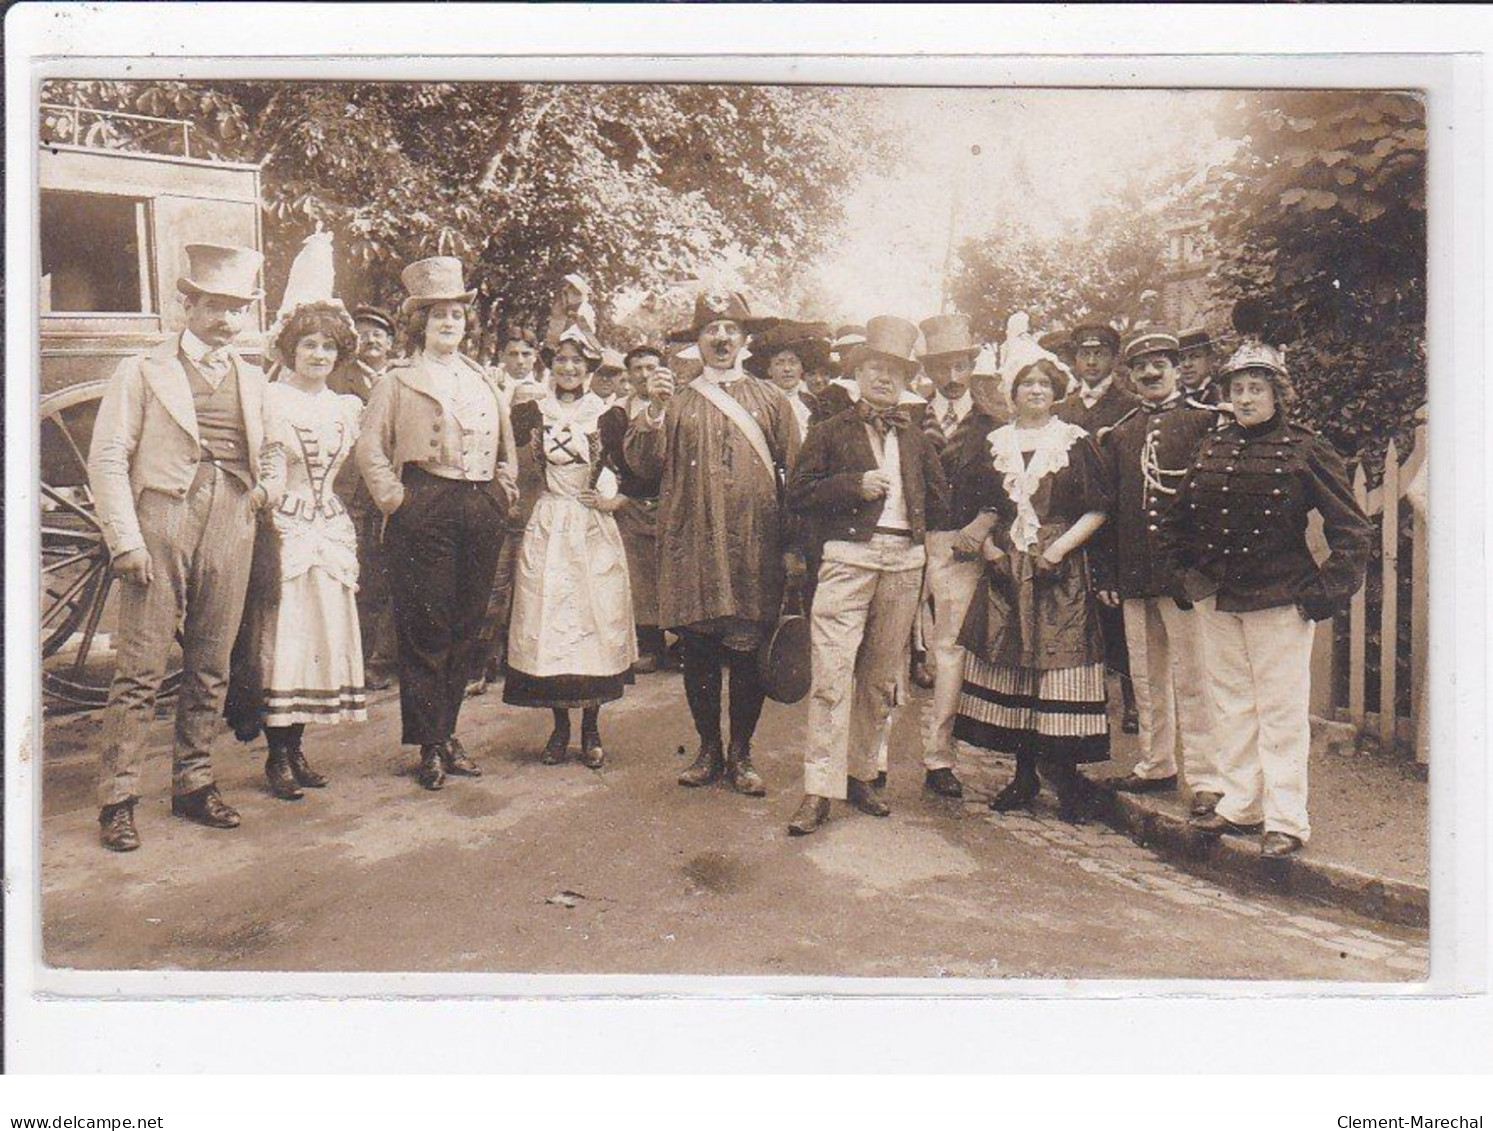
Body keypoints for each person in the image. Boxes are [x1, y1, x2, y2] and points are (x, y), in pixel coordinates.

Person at [89, 243, 286, 850]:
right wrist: (125, 540)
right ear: (188, 305)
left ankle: (194, 782)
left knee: (211, 662)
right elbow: (108, 458)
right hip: (162, 516)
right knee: (141, 668)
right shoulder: (145, 371)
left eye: (237, 310)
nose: (227, 321)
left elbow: (275, 452)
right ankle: (118, 799)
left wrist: (265, 489)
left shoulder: (252, 379)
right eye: (215, 307)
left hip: (233, 515)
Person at [1160, 341, 1370, 858]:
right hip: (1219, 597)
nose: (1247, 398)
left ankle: (1286, 820)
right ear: (1226, 395)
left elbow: (1353, 531)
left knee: (1280, 711)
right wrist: (1186, 578)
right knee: (1230, 702)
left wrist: (1320, 596)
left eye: (1257, 388)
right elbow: (1177, 522)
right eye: (1237, 389)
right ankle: (1240, 804)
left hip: (1281, 598)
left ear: (1279, 394)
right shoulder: (1212, 447)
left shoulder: (1305, 448)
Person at [624, 290, 801, 797]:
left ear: (745, 340)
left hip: (754, 544)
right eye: (710, 330)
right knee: (699, 650)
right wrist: (654, 412)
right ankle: (708, 750)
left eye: (730, 330)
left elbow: (798, 476)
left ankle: (742, 753)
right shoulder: (676, 400)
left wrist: (793, 548)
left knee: (747, 649)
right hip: (691, 544)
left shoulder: (771, 399)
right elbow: (642, 465)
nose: (721, 338)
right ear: (697, 342)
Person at [355, 256, 517, 791]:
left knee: (466, 624)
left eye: (456, 314)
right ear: (420, 324)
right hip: (425, 500)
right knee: (426, 626)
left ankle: (449, 733)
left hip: (479, 505)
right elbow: (371, 448)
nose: (449, 323)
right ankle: (428, 743)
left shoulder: (483, 379)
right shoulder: (398, 381)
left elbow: (507, 448)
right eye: (438, 315)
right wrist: (396, 500)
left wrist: (503, 491)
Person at [785, 316, 950, 834]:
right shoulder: (830, 430)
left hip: (904, 563)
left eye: (895, 370)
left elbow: (942, 506)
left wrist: (938, 460)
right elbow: (799, 491)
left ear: (906, 380)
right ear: (858, 372)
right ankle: (819, 788)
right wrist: (854, 484)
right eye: (875, 367)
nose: (884, 377)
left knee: (880, 680)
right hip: (848, 561)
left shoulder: (918, 437)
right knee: (832, 676)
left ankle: (861, 774)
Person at [952, 344, 1113, 823]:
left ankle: (1066, 782)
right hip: (1007, 567)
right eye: (1027, 384)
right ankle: (1023, 775)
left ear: (1055, 390)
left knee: (1058, 667)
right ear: (1014, 392)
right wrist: (989, 551)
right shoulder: (994, 443)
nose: (1036, 391)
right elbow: (977, 508)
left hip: (1058, 569)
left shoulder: (1074, 440)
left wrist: (1059, 549)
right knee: (1015, 665)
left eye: (1044, 383)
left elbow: (1099, 507)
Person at [1096, 328, 1224, 810]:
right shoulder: (1122, 432)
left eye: (1160, 365)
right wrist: (1108, 573)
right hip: (1136, 571)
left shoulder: (1204, 423)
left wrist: (1204, 567)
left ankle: (1207, 777)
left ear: (1177, 369)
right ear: (1130, 376)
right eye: (1141, 368)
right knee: (1146, 674)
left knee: (1194, 676)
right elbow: (1109, 509)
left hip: (1185, 576)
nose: (1151, 374)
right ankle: (1155, 765)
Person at [252, 300, 369, 799]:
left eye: (328, 345)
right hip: (287, 528)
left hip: (331, 530)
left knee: (319, 641)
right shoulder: (269, 398)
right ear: (289, 349)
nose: (318, 354)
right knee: (285, 640)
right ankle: (275, 753)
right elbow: (266, 466)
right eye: (308, 344)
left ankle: (296, 747)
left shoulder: (346, 406)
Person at [505, 327, 636, 767]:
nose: (568, 368)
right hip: (549, 521)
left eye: (577, 361)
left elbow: (633, 472)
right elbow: (501, 449)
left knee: (591, 619)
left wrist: (613, 499)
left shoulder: (608, 414)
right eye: (560, 359)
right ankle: (560, 729)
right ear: (550, 365)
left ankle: (592, 728)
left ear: (590, 367)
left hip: (590, 526)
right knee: (552, 621)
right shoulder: (531, 411)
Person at [917, 333, 1010, 799]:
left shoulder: (994, 425)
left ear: (973, 365)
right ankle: (869, 763)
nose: (951, 379)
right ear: (927, 370)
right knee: (889, 650)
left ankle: (939, 757)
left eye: (959, 367)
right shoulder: (908, 418)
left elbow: (1010, 486)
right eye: (940, 368)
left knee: (950, 651)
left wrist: (987, 520)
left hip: (961, 545)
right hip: (908, 543)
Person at [1056, 318, 1140, 734]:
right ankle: (1089, 696)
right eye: (1084, 354)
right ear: (1074, 360)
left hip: (1115, 523)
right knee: (1078, 609)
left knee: (1117, 613)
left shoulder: (1130, 405)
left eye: (1100, 353)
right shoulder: (1063, 410)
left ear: (1114, 358)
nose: (1091, 361)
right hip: (1072, 522)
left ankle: (1133, 700)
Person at [329, 304, 399, 690]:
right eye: (364, 333)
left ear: (390, 341)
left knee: (389, 575)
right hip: (352, 491)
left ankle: (382, 660)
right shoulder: (339, 377)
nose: (372, 340)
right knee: (357, 574)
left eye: (379, 334)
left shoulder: (402, 377)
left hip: (391, 488)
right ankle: (351, 660)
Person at [598, 345, 669, 672]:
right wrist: (622, 495)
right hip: (633, 502)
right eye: (637, 368)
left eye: (651, 367)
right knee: (639, 577)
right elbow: (616, 460)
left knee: (675, 571)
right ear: (627, 375)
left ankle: (685, 642)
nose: (644, 375)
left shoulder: (679, 405)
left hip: (674, 501)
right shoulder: (617, 414)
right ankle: (649, 644)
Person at [744, 321, 831, 437]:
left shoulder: (811, 402)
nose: (787, 369)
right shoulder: (758, 401)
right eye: (779, 363)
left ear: (801, 368)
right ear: (769, 370)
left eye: (793, 362)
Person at [1177, 326, 1224, 406]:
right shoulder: (1173, 400)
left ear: (1210, 359)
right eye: (1181, 358)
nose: (1187, 364)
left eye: (1195, 356)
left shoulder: (1224, 394)